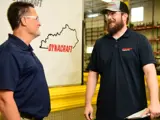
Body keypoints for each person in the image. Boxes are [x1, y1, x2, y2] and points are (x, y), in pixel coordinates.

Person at [84, 1, 160, 120]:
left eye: (113, 14)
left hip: (135, 112)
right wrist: (88, 103)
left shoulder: (140, 41)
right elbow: (93, 75)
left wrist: (155, 101)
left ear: (124, 16)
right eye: (108, 14)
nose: (109, 17)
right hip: (105, 112)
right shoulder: (100, 44)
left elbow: (150, 72)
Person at [0, 2, 50, 120]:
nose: (39, 23)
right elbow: (4, 99)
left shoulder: (25, 50)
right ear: (24, 21)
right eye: (36, 18)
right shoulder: (9, 52)